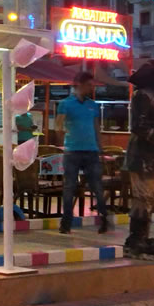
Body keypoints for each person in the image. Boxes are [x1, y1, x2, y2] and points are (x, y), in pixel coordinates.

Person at [123, 62, 154, 256]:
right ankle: (136, 238)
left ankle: (142, 237)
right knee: (143, 198)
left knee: (152, 198)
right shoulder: (141, 96)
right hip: (142, 155)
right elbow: (138, 125)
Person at [54, 71, 109, 234]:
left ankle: (104, 220)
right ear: (80, 84)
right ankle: (66, 223)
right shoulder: (66, 104)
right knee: (70, 187)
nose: (91, 88)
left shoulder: (93, 105)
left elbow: (96, 127)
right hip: (73, 151)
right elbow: (58, 125)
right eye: (89, 85)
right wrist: (62, 142)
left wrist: (100, 148)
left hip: (91, 151)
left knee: (96, 186)